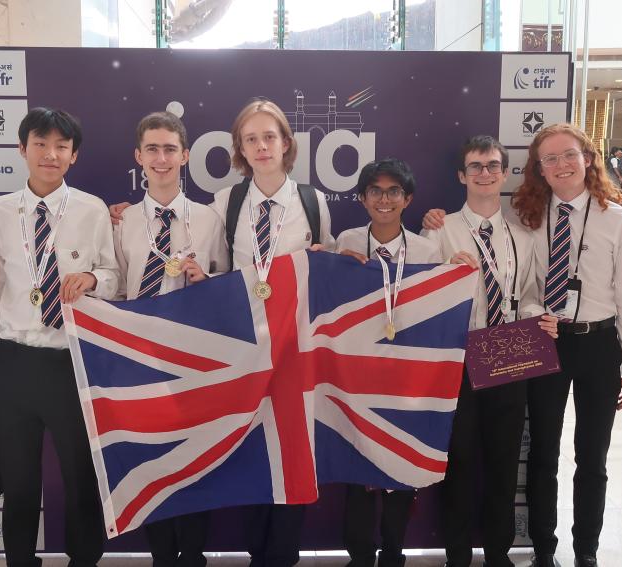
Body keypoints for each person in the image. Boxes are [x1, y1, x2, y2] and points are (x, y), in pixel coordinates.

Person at [0, 107, 120, 567]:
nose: (51, 153)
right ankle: (20, 559)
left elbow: (114, 274)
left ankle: (84, 559)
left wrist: (92, 278)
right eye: (40, 143)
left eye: (61, 146)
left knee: (80, 475)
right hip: (14, 359)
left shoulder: (91, 208)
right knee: (19, 480)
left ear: (74, 155)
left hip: (69, 360)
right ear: (22, 149)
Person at [418, 135, 555, 567]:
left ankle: (498, 554)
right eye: (476, 166)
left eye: (493, 166)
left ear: (503, 173)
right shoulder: (439, 229)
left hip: (508, 352)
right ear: (462, 175)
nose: (485, 174)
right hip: (457, 356)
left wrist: (538, 316)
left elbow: (530, 293)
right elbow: (421, 296)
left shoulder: (523, 233)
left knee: (502, 462)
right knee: (458, 463)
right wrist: (446, 274)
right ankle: (457, 554)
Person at [511, 123, 622, 567]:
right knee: (543, 453)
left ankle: (586, 549)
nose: (562, 165)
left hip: (599, 344)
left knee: (592, 457)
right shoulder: (528, 214)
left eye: (569, 155)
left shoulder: (619, 221)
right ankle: (544, 551)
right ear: (539, 169)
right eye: (550, 159)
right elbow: (520, 282)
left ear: (588, 158)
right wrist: (533, 312)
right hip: (545, 341)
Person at [212, 98, 335, 567]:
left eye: (270, 137)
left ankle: (283, 555)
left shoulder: (312, 201)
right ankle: (255, 552)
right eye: (251, 139)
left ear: (286, 144)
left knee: (293, 450)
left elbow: (322, 270)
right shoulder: (226, 202)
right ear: (240, 149)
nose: (261, 146)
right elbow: (217, 271)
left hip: (296, 349)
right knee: (249, 450)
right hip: (244, 347)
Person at [112, 111, 228, 567]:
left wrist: (206, 279)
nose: (162, 159)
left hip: (192, 360)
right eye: (152, 150)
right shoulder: (120, 221)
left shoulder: (208, 220)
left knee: (193, 463)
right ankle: (162, 556)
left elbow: (225, 285)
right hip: (137, 358)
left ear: (185, 155)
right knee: (150, 464)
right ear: (139, 157)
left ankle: (194, 556)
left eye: (170, 149)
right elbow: (115, 285)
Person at [335, 157, 441, 567]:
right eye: (375, 191)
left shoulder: (427, 250)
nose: (384, 199)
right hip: (354, 375)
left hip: (406, 376)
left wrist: (457, 270)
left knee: (400, 469)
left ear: (407, 198)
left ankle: (394, 551)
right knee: (357, 466)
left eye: (393, 191)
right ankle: (360, 555)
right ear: (362, 198)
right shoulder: (345, 239)